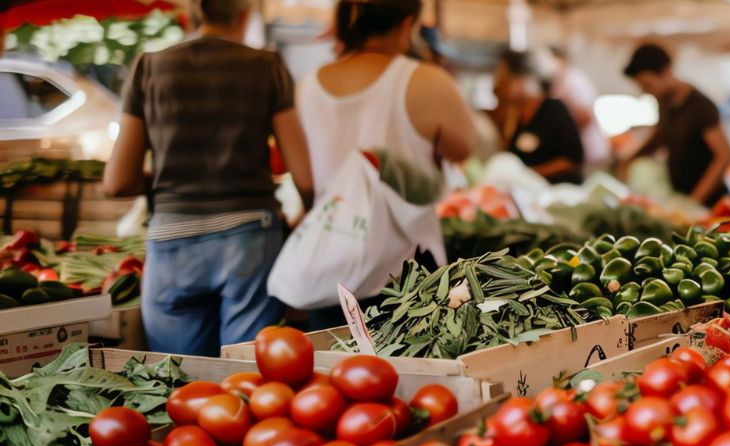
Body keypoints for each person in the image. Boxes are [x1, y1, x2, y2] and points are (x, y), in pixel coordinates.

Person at [104, 0, 314, 356]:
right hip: (250, 234)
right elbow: (305, 178)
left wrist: (171, 179)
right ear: (245, 14)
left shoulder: (148, 67)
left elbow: (117, 182)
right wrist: (305, 221)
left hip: (172, 236)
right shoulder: (266, 66)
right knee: (244, 376)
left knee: (180, 379)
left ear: (191, 14)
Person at [296, 0, 474, 329]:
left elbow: (303, 178)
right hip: (405, 272)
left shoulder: (308, 86)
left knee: (333, 370)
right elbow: (463, 147)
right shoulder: (426, 82)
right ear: (407, 24)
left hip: (332, 260)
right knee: (410, 371)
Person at [619, 43, 730, 206]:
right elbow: (661, 135)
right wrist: (630, 158)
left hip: (710, 204)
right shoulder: (665, 103)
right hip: (681, 197)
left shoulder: (700, 106)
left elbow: (725, 156)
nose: (644, 91)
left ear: (666, 71)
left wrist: (694, 201)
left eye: (647, 84)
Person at [492, 50, 584, 184]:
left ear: (523, 78)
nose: (498, 84)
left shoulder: (554, 109)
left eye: (504, 78)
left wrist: (530, 175)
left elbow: (573, 159)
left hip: (557, 191)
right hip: (526, 193)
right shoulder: (512, 117)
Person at [549, 47, 611, 169]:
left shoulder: (573, 82)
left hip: (590, 153)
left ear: (562, 60)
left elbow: (585, 118)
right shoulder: (559, 82)